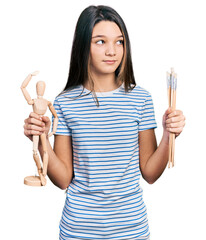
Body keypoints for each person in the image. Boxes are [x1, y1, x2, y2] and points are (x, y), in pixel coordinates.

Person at [23, 5, 186, 240]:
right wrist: (40, 140)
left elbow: (150, 173)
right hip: (78, 230)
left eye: (119, 42)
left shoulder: (140, 99)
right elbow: (62, 180)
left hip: (131, 230)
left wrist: (169, 134)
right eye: (100, 41)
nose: (112, 51)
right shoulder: (65, 102)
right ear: (83, 47)